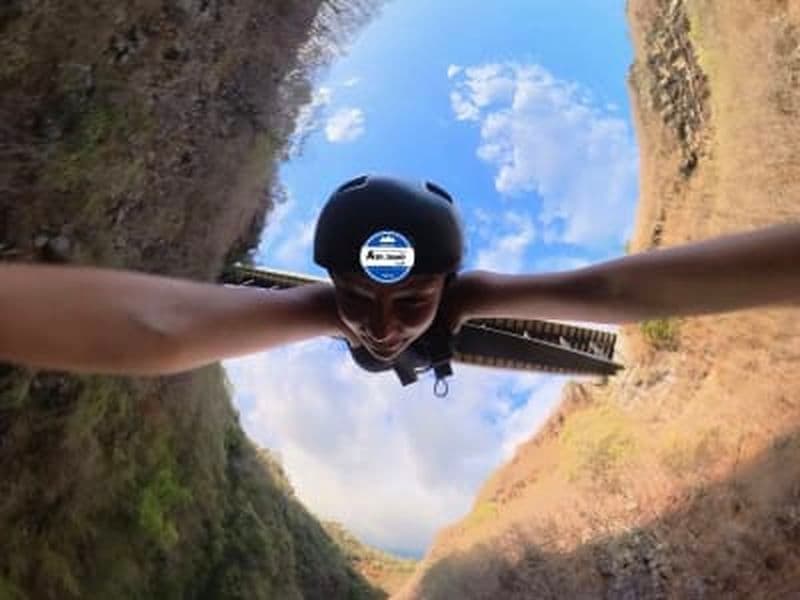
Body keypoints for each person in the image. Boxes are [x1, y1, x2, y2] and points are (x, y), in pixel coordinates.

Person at [0, 174, 798, 377]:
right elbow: (159, 326)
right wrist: (320, 313)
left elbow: (613, 297)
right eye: (358, 298)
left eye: (412, 301)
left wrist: (487, 297)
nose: (383, 327)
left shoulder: (453, 301)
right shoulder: (343, 313)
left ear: (447, 285)